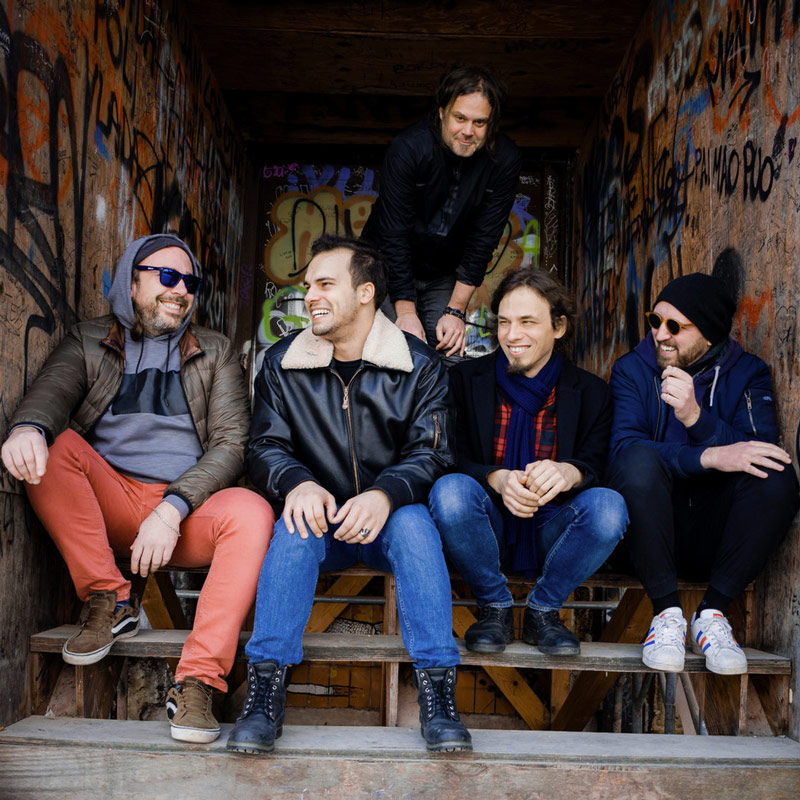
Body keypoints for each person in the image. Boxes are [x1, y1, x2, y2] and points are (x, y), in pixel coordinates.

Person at [1, 234, 275, 743]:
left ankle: (198, 681)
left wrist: (173, 507)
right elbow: (52, 392)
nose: (181, 290)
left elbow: (232, 445)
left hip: (186, 513)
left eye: (189, 282)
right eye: (167, 276)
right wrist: (28, 428)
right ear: (132, 282)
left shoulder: (215, 351)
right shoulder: (89, 339)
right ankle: (109, 599)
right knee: (53, 445)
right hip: (110, 503)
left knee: (253, 510)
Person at [227, 234, 471, 755]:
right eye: (308, 285)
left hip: (389, 521)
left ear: (365, 293)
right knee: (292, 528)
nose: (310, 295)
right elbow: (264, 445)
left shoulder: (419, 364)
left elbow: (433, 453)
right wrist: (297, 482)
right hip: (322, 519)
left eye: (324, 284)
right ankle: (265, 694)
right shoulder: (282, 363)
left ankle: (439, 696)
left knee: (415, 525)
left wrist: (385, 494)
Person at [606, 273, 800, 674]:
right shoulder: (631, 370)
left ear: (709, 335)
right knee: (637, 461)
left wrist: (696, 418)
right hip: (646, 536)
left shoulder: (748, 373)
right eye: (655, 320)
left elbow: (758, 449)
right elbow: (624, 450)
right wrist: (708, 456)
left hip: (716, 535)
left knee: (775, 473)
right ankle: (666, 617)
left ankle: (712, 616)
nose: (660, 334)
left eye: (675, 326)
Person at [428, 269, 628, 654]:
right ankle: (494, 608)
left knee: (610, 507)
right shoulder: (465, 380)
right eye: (504, 322)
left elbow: (601, 464)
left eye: (527, 322)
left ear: (559, 327)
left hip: (555, 530)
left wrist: (570, 472)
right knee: (449, 491)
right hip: (482, 528)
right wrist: (497, 478)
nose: (512, 335)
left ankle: (543, 612)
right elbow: (445, 458)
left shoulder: (591, 392)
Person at [360, 65, 522, 360]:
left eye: (479, 122)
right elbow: (393, 234)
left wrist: (455, 310)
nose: (468, 131)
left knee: (449, 354)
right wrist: (405, 311)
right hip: (384, 266)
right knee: (392, 352)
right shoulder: (409, 147)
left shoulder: (505, 159)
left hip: (443, 274)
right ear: (441, 112)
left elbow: (484, 240)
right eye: (460, 118)